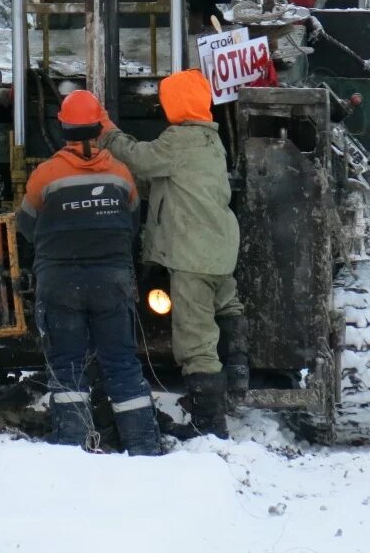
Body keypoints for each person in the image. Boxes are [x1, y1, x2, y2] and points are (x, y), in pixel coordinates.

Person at [99, 68, 247, 439]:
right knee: (226, 310)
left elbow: (139, 158)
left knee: (194, 340)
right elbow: (166, 184)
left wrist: (107, 133)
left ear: (175, 104)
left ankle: (209, 424)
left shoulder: (179, 140)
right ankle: (238, 374)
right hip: (219, 250)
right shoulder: (210, 141)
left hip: (192, 255)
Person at [17, 90, 161, 456]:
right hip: (111, 282)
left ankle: (72, 446)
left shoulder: (44, 175)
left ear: (63, 127)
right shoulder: (121, 174)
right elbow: (132, 224)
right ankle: (143, 446)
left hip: (60, 284)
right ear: (99, 126)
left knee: (67, 365)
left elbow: (25, 225)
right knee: (121, 362)